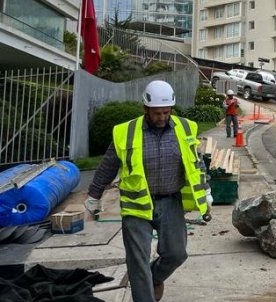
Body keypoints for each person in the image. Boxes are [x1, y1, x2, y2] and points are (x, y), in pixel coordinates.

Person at [85, 80, 211, 302]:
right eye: (156, 113)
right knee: (138, 260)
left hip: (171, 202)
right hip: (136, 206)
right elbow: (107, 166)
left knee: (176, 254)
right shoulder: (126, 132)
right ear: (145, 109)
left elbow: (196, 163)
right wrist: (94, 196)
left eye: (166, 112)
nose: (162, 117)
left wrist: (206, 189)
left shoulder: (185, 127)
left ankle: (154, 277)